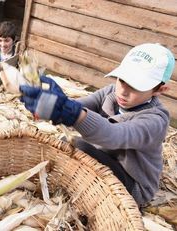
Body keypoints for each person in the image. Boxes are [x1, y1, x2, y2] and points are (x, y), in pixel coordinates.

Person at [19, 43, 175, 206]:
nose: (123, 91)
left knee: (79, 146)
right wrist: (47, 105)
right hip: (105, 158)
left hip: (131, 182)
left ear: (160, 90)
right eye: (122, 80)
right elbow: (79, 105)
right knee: (65, 143)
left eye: (135, 87)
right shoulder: (110, 93)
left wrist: (71, 113)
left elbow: (113, 135)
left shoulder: (156, 120)